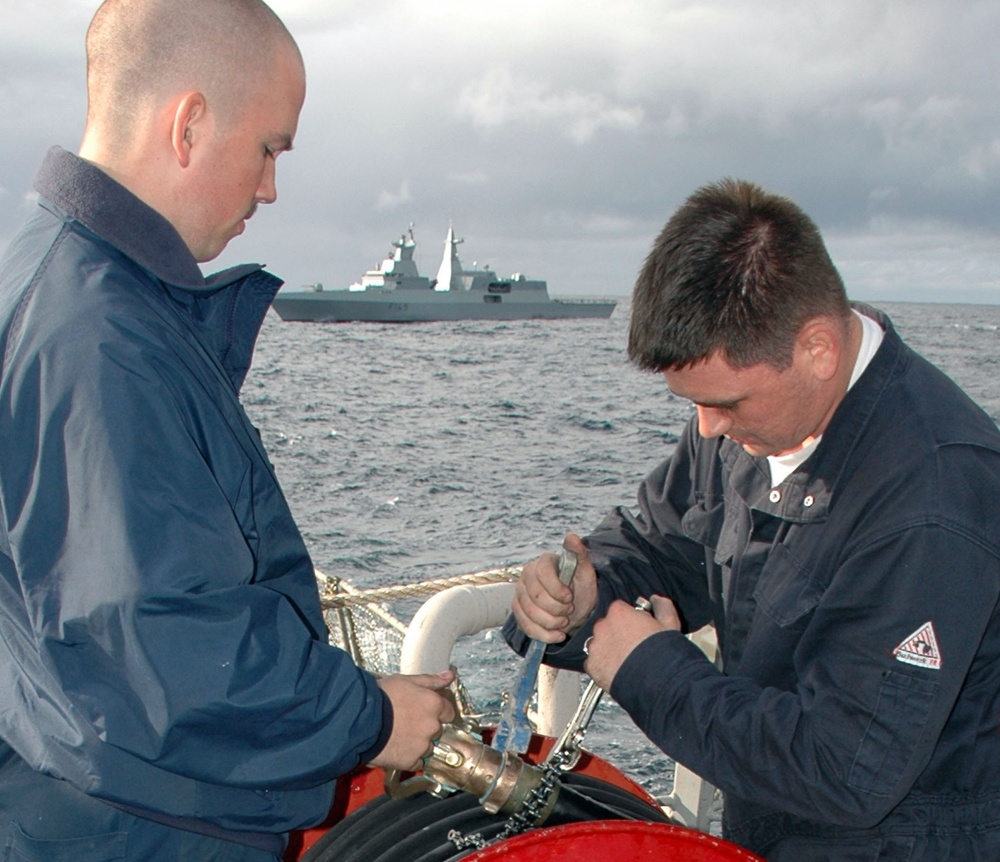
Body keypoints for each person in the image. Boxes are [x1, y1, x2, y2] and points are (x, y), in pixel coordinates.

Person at [0, 2, 454, 860]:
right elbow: (167, 636)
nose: (271, 187)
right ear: (190, 124)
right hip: (141, 830)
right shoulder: (101, 338)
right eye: (269, 148)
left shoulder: (43, 274)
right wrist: (374, 717)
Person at [505, 179, 1000, 860]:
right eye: (695, 404)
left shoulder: (933, 498)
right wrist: (581, 593)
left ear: (818, 351)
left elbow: (844, 766)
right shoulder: (750, 428)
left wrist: (649, 670)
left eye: (727, 403)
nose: (706, 430)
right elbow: (661, 540)